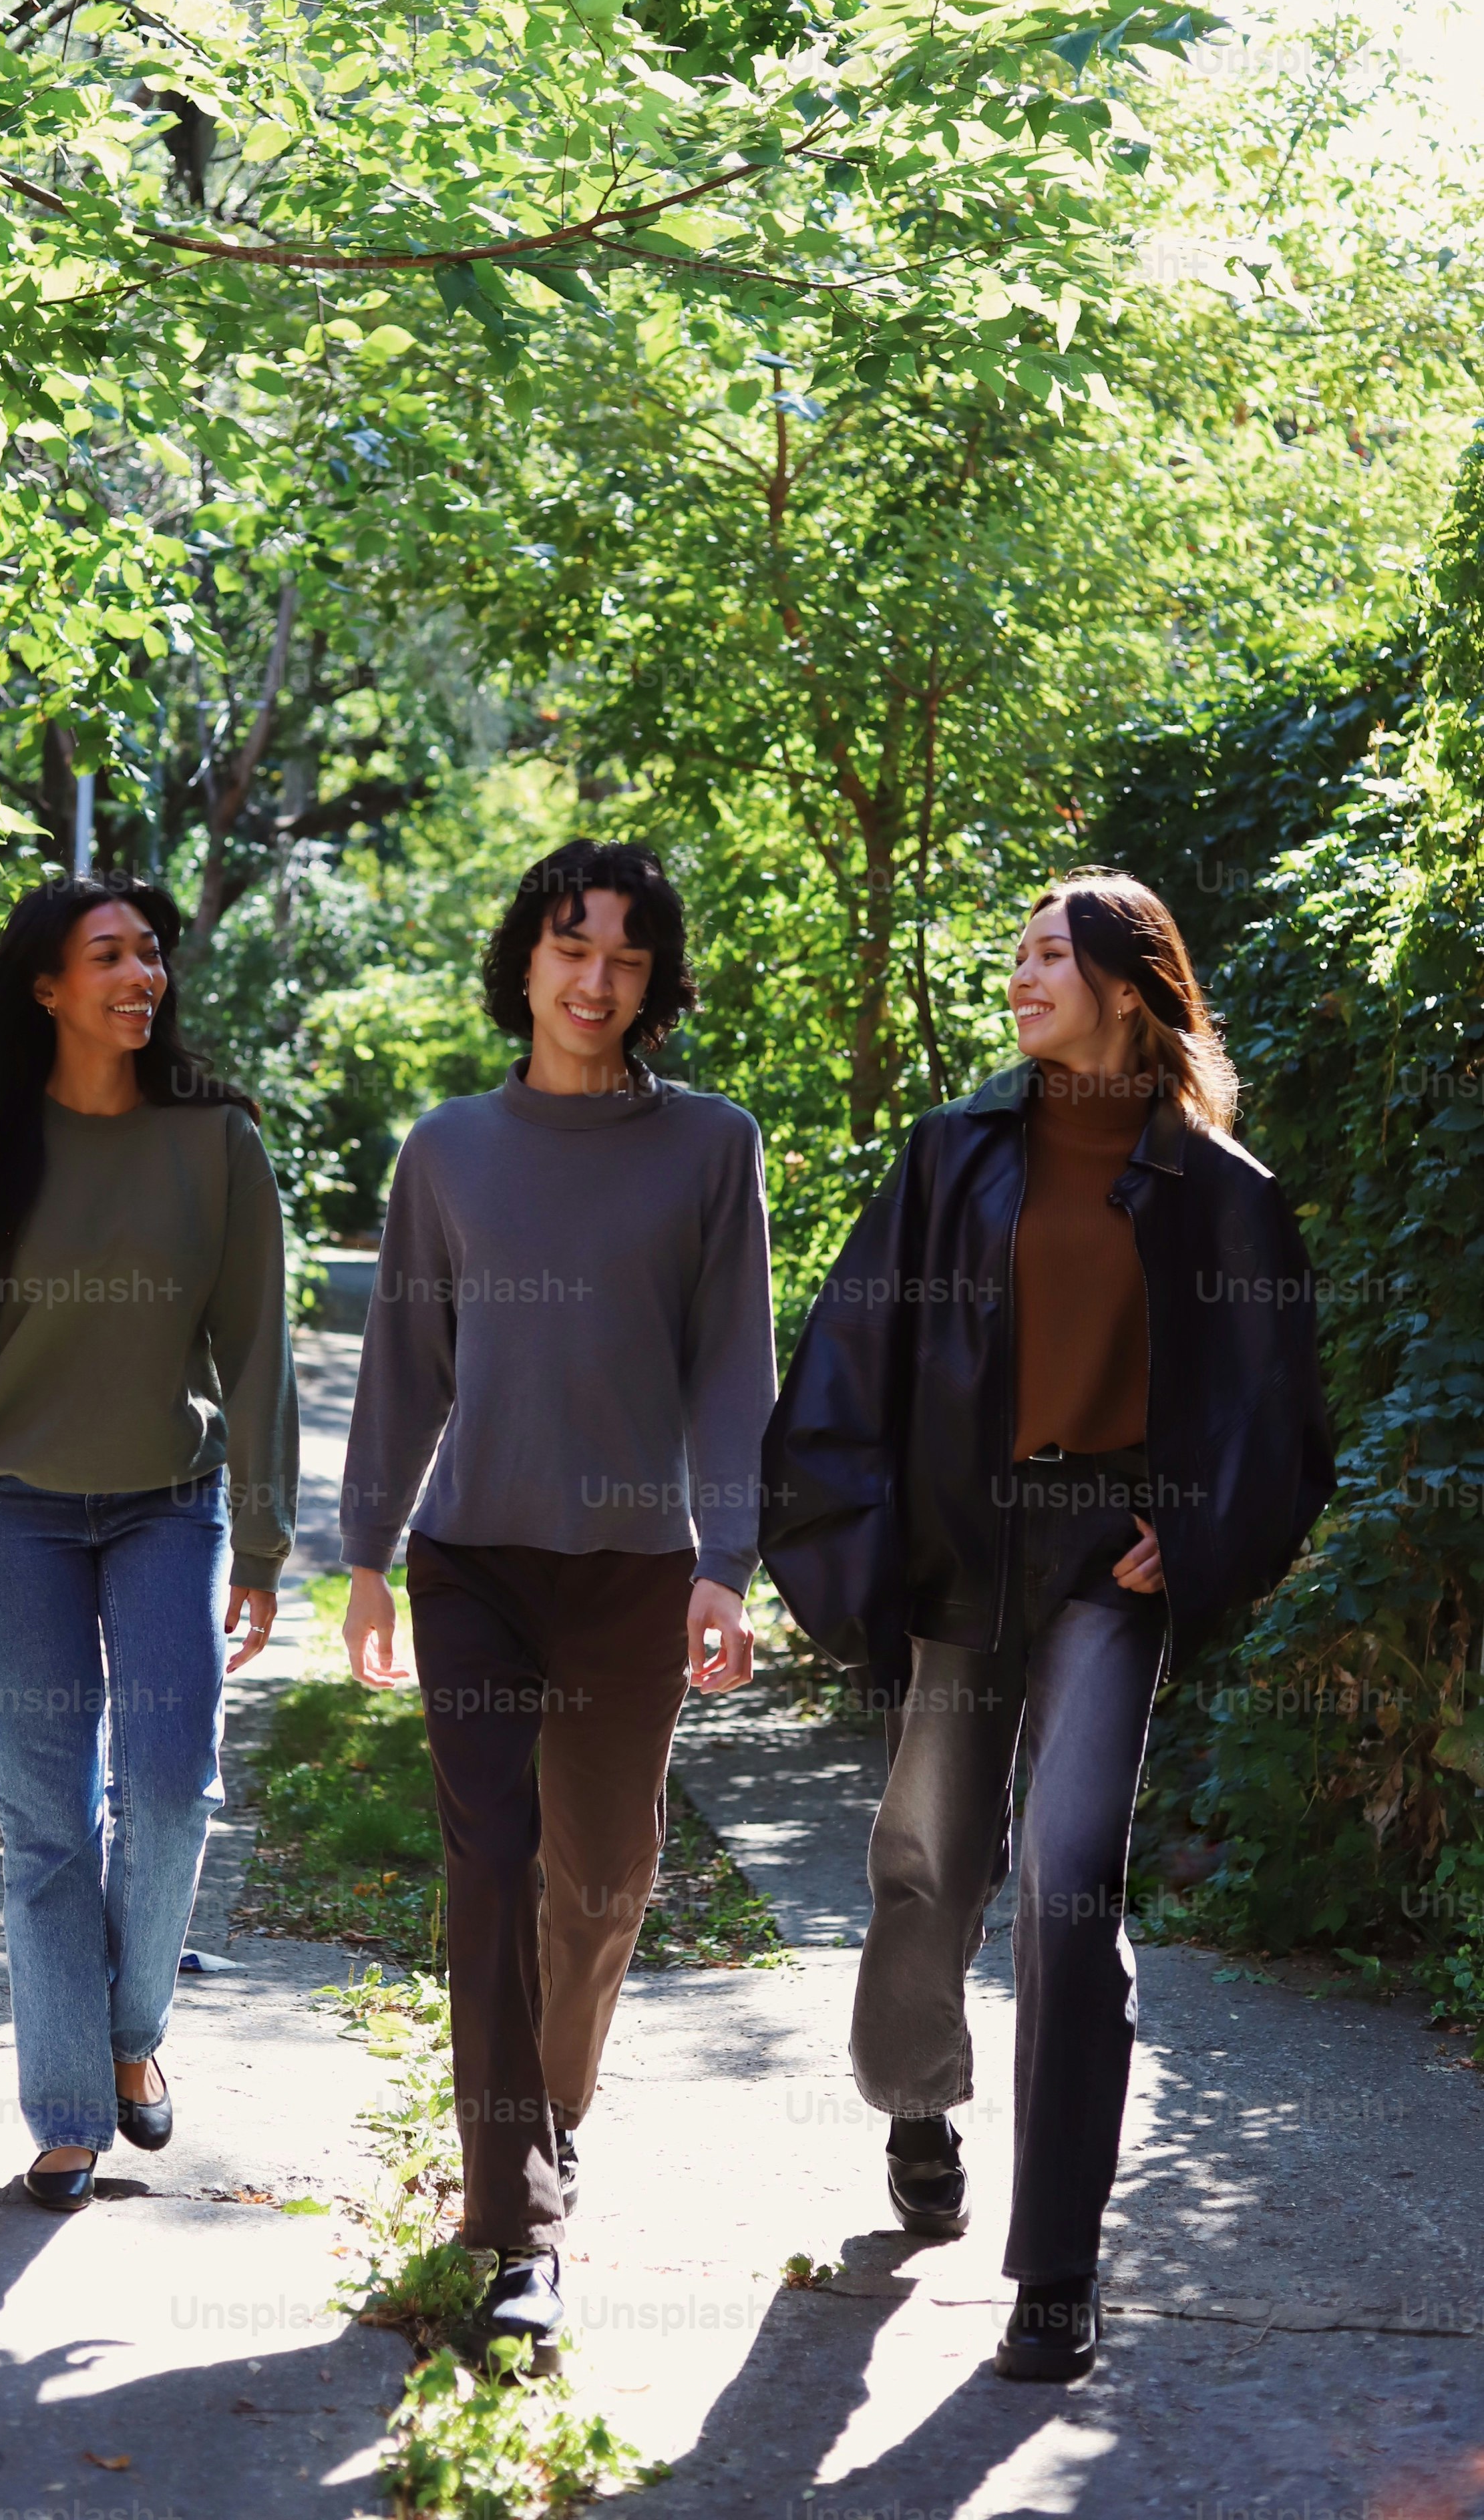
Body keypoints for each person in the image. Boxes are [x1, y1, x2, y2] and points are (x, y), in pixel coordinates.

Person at [761, 869, 1333, 2381]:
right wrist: (841, 1543)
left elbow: (1277, 1417)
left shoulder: (1224, 1189)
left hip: (1103, 1568)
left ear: (1126, 984)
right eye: (1011, 953)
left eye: (1045, 956)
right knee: (928, 1869)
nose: (1018, 976)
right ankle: (915, 2098)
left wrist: (1195, 1532)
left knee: (1070, 1888)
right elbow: (850, 1351)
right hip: (961, 1548)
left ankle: (1057, 2262)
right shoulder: (951, 1154)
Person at [340, 839, 777, 2370]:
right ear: (523, 957)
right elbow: (405, 1360)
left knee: (602, 1879)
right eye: (569, 945)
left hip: (635, 1575)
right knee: (489, 1863)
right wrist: (368, 1551)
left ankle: (551, 2111)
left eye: (627, 956)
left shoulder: (711, 1146)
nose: (595, 979)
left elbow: (733, 1362)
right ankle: (516, 2222)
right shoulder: (447, 1148)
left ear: (654, 982)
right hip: (476, 1562)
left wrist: (728, 1554)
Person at [0, 875, 297, 2213]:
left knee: (170, 1783)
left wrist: (267, 1539)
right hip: (16, 1518)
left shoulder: (215, 1144)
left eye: (151, 952)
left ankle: (129, 2028)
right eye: (108, 952)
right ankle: (65, 2109)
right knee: (47, 1822)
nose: (141, 973)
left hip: (170, 1503)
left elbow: (259, 1348)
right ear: (47, 987)